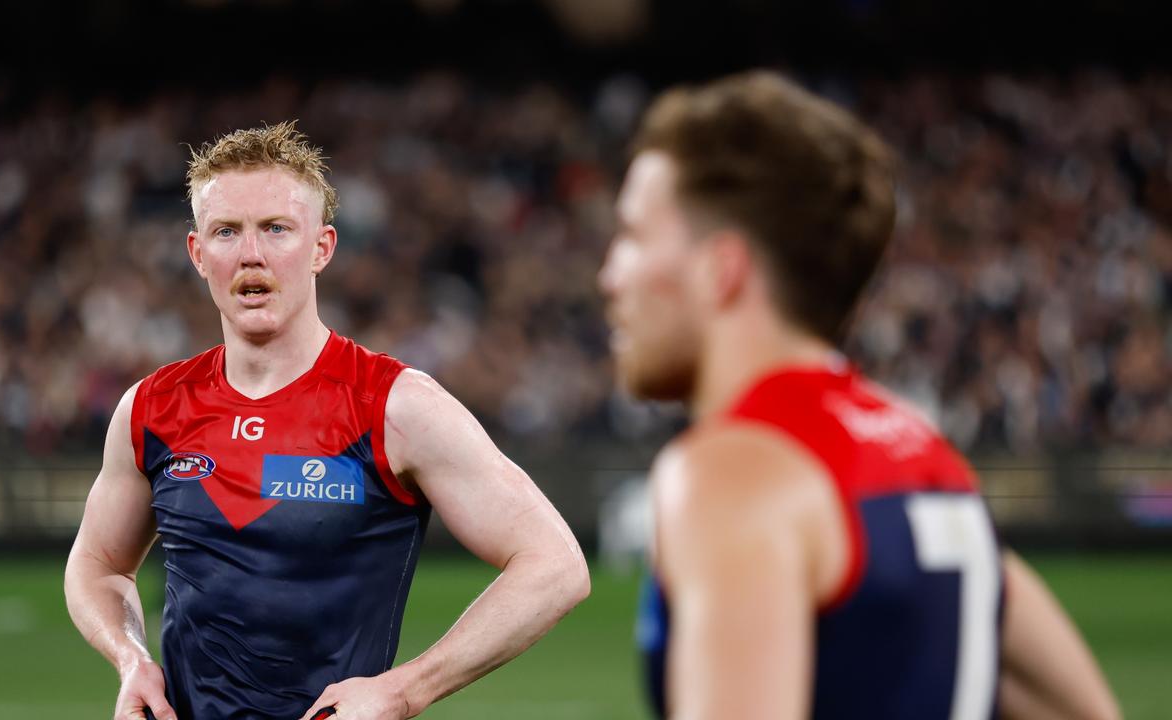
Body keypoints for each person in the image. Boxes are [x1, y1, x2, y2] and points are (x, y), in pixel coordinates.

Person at [598, 71, 1121, 720]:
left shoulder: (733, 471)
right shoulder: (927, 458)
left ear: (720, 269)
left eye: (632, 236)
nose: (609, 275)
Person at [64, 121, 590, 720]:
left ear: (322, 248)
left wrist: (405, 688)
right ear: (197, 253)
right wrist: (130, 659)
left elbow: (556, 566)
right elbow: (97, 564)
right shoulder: (152, 408)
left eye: (276, 229)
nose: (251, 254)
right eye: (227, 232)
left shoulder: (394, 406)